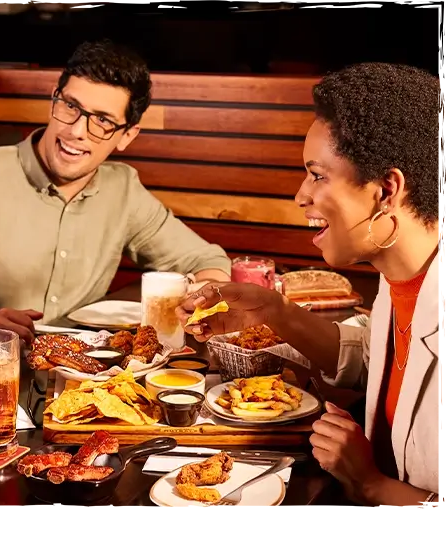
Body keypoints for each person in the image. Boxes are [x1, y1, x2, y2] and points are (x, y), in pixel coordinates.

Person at [177, 62, 445, 512]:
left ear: (385, 190)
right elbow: (381, 359)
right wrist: (273, 313)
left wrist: (372, 486)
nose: (302, 195)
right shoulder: (402, 281)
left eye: (317, 175)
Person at [0, 39, 231, 343]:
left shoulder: (123, 189)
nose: (78, 131)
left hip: (80, 382)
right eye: (71, 107)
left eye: (103, 121)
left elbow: (206, 261)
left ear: (127, 135)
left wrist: (199, 303)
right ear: (55, 99)